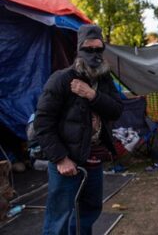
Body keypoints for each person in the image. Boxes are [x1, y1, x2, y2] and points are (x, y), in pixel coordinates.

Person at [34, 24, 123, 235]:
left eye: (98, 49)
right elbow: (42, 123)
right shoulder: (61, 79)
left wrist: (91, 95)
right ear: (79, 50)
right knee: (59, 219)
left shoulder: (104, 80)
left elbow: (117, 110)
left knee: (88, 213)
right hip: (68, 162)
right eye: (89, 49)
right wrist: (60, 159)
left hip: (93, 160)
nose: (94, 54)